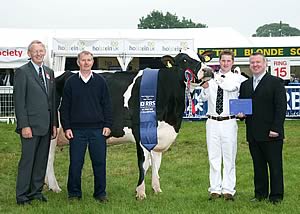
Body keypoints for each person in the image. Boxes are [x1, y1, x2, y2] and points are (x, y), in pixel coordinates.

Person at [60, 51, 112, 203]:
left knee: (99, 163)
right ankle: (74, 194)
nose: (86, 63)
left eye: (89, 60)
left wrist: (108, 125)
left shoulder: (100, 81)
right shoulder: (71, 82)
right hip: (76, 131)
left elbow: (107, 105)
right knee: (76, 163)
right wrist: (67, 127)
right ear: (78, 62)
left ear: (93, 62)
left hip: (98, 130)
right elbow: (65, 107)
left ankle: (100, 193)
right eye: (83, 60)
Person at [238, 52, 287, 204]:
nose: (255, 65)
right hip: (253, 133)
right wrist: (240, 114)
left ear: (265, 64)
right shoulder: (245, 84)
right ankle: (260, 194)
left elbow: (281, 108)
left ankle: (276, 196)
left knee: (275, 166)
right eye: (252, 62)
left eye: (258, 62)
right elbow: (243, 105)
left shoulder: (275, 82)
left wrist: (276, 128)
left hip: (271, 132)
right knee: (258, 166)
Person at [14, 40, 57, 205]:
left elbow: (51, 101)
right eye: (35, 51)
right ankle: (22, 196)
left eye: (41, 50)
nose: (39, 54)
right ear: (29, 54)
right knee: (28, 161)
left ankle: (36, 191)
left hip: (46, 125)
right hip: (30, 126)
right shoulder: (22, 72)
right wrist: (24, 125)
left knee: (41, 161)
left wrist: (54, 124)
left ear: (44, 52)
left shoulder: (49, 72)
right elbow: (19, 102)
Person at [200, 50, 243, 201]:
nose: (225, 63)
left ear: (232, 62)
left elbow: (230, 88)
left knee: (229, 156)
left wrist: (215, 78)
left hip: (229, 121)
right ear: (219, 61)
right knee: (214, 157)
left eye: (228, 61)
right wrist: (205, 88)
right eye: (223, 60)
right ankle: (215, 189)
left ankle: (228, 190)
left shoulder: (237, 78)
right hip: (212, 121)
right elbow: (203, 98)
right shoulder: (211, 79)